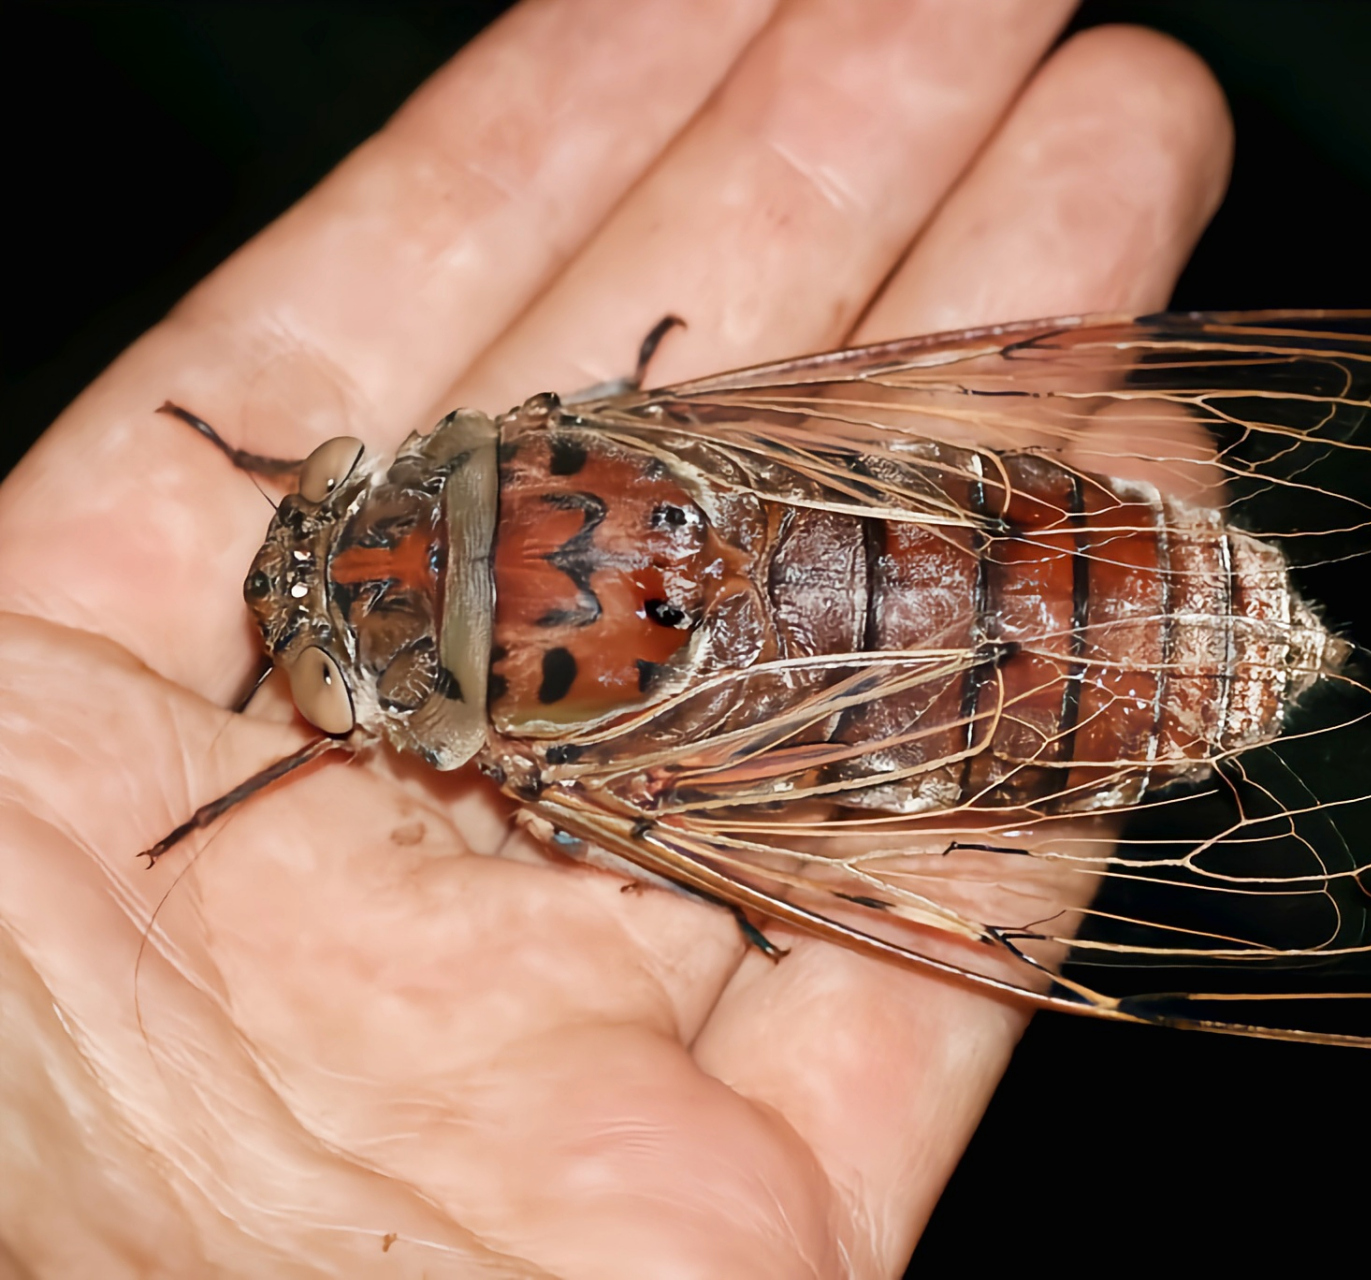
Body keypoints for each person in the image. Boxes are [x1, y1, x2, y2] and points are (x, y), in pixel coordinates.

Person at [0, 1, 1230, 1273]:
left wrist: (707, 861)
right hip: (982, 554)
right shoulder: (534, 449)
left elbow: (580, 816)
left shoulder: (531, 760)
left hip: (896, 687)